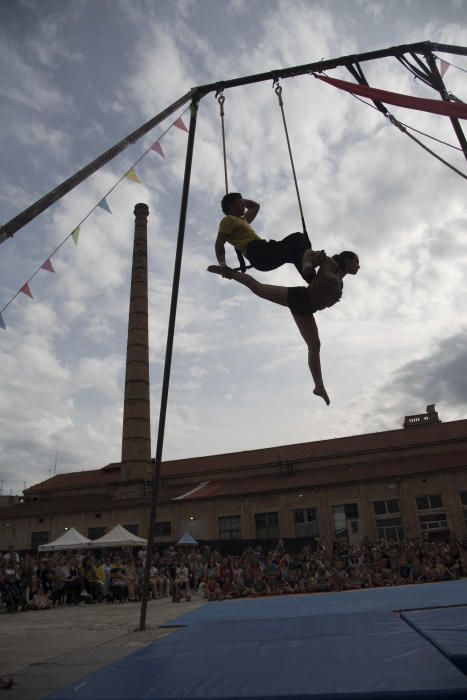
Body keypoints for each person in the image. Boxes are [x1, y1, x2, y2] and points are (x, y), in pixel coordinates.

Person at [208, 249, 359, 405]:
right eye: (356, 261)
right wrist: (307, 265)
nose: (358, 266)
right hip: (300, 296)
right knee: (258, 288)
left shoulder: (340, 282)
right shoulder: (330, 263)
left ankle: (318, 386)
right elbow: (306, 252)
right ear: (347, 259)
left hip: (306, 310)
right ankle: (227, 272)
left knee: (315, 345)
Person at [216, 193, 317, 281]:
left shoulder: (243, 220)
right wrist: (223, 266)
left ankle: (314, 281)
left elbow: (255, 206)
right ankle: (310, 269)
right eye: (240, 202)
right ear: (230, 204)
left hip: (261, 257)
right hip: (257, 250)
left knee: (297, 253)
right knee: (297, 238)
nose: (243, 205)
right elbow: (219, 244)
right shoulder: (229, 219)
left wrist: (240, 200)